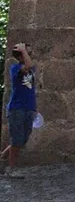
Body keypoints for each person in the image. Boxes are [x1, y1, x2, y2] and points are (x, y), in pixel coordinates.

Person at [3, 43, 38, 176]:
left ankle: (2, 156)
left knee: (23, 139)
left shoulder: (31, 70)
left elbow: (31, 89)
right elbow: (27, 66)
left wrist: (34, 108)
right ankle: (11, 169)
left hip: (28, 108)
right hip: (17, 109)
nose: (30, 55)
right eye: (27, 53)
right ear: (21, 56)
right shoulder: (15, 68)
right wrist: (22, 50)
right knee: (17, 140)